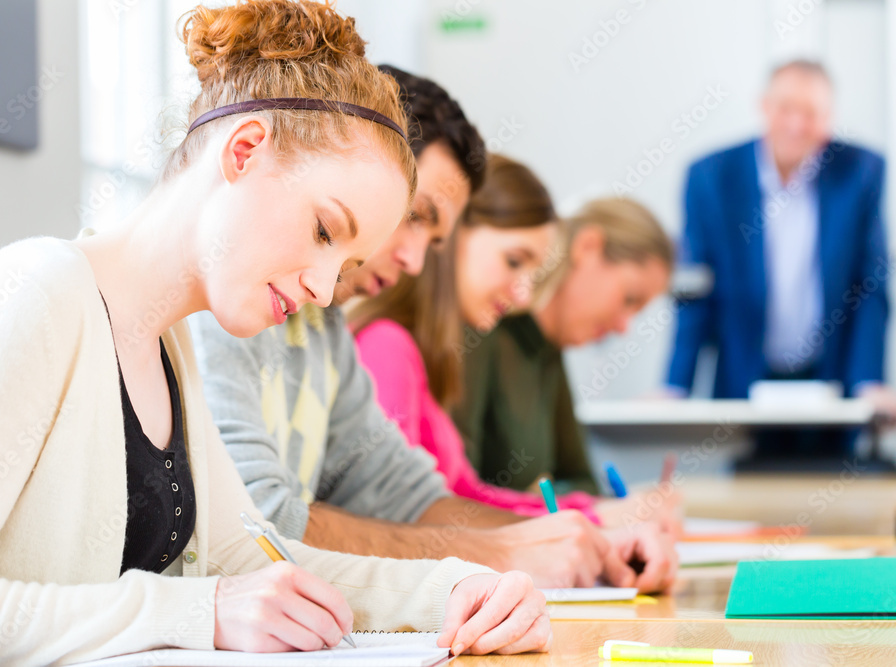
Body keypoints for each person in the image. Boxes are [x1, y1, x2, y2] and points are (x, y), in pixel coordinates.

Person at [0, 4, 552, 665]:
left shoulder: (171, 345)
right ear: (245, 151)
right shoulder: (35, 294)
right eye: (324, 230)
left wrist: (455, 588)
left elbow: (252, 558)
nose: (326, 291)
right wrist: (195, 610)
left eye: (347, 266)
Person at [192, 72, 677, 593]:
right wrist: (498, 553)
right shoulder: (229, 301)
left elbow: (404, 496)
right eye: (414, 215)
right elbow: (256, 527)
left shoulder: (322, 322)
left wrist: (582, 543)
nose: (416, 261)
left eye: (434, 236)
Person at [666, 60, 896, 462]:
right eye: (786, 108)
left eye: (811, 113)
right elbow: (696, 289)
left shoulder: (861, 172)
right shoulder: (712, 176)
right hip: (744, 378)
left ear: (829, 119)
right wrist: (674, 387)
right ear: (764, 106)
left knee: (832, 484)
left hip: (831, 376)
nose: (796, 125)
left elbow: (870, 284)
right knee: (750, 488)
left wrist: (868, 381)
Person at [449, 196, 678, 531]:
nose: (623, 327)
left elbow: (583, 481)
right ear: (588, 246)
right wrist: (566, 507)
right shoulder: (482, 328)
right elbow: (454, 496)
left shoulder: (548, 349)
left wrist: (616, 508)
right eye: (629, 299)